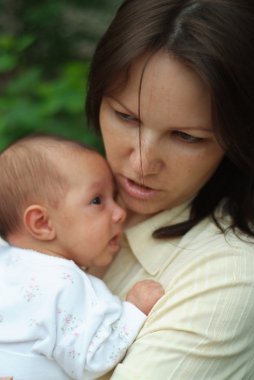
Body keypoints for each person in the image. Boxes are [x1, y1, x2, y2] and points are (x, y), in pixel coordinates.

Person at [85, 0, 254, 379]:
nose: (142, 162)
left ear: (236, 139)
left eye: (187, 137)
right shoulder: (49, 193)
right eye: (125, 117)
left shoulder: (228, 277)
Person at [0, 134, 164, 380]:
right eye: (97, 200)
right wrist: (134, 310)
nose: (120, 213)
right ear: (42, 222)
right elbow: (93, 359)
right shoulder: (64, 282)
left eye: (114, 198)